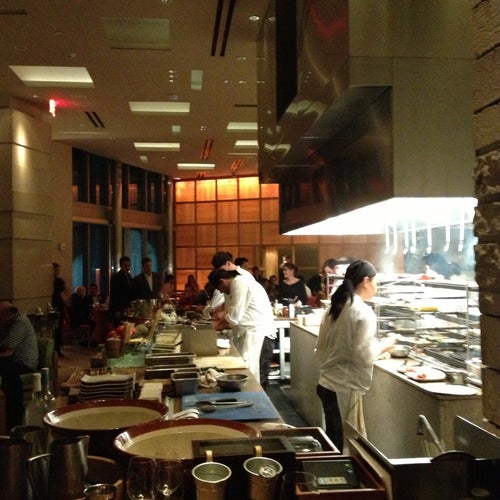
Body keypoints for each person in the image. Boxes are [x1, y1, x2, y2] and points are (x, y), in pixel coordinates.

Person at [315, 260, 396, 452]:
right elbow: (364, 355)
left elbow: (320, 347)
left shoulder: (335, 307)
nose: (376, 287)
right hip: (343, 388)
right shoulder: (363, 312)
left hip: (327, 384)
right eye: (376, 281)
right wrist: (387, 345)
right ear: (366, 281)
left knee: (333, 442)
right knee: (344, 446)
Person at [211, 251, 277, 389]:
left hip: (261, 334)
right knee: (250, 377)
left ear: (222, 281)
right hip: (250, 332)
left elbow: (234, 317)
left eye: (220, 289)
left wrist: (213, 328)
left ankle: (260, 402)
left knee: (256, 381)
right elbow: (231, 313)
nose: (221, 292)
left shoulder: (240, 281)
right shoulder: (235, 282)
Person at [0, 301, 39, 429]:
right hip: (13, 361)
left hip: (25, 363)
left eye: (1, 317)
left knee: (8, 374)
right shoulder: (10, 324)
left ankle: (13, 418)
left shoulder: (21, 322)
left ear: (9, 315)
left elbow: (8, 345)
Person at [51, 262, 69, 356]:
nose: (57, 272)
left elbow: (65, 292)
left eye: (58, 270)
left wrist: (66, 302)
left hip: (58, 305)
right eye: (56, 270)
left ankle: (58, 348)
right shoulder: (48, 281)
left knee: (59, 328)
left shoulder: (59, 281)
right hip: (51, 304)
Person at [109, 256, 132, 325]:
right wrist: (117, 310)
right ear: (121, 266)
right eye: (125, 265)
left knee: (125, 325)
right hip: (118, 307)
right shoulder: (116, 277)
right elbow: (115, 294)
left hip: (126, 307)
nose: (127, 267)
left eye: (129, 265)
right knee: (118, 326)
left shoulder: (129, 276)